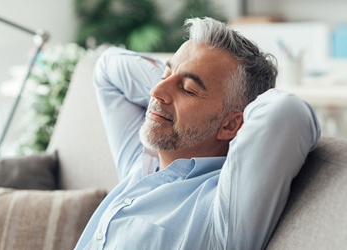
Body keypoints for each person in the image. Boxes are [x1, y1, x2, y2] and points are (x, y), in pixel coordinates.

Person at [74, 17, 320, 250]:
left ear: (231, 126)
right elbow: (108, 67)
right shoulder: (141, 164)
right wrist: (177, 78)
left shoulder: (221, 215)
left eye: (189, 89)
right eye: (163, 76)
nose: (155, 91)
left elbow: (285, 111)